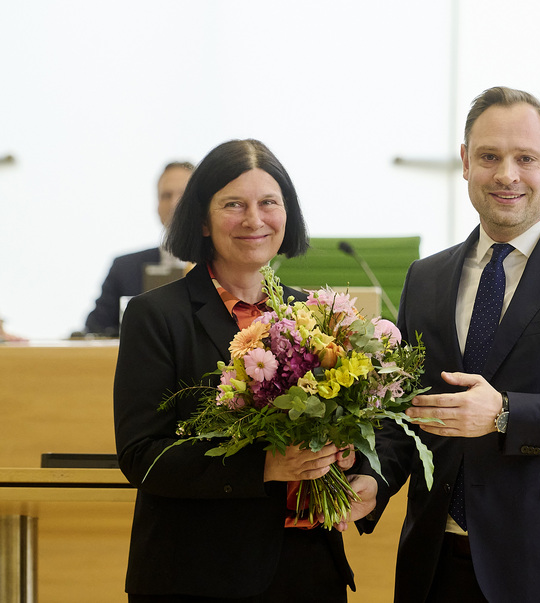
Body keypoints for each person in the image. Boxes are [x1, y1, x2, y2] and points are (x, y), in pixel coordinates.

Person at [357, 87, 540, 602]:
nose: (506, 175)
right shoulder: (426, 277)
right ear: (465, 162)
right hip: (437, 564)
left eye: (526, 158)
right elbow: (408, 412)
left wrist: (505, 414)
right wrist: (372, 481)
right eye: (489, 157)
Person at [114, 139, 377, 602]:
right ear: (202, 219)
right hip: (199, 574)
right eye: (234, 204)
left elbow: (356, 424)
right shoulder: (155, 315)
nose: (254, 220)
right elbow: (142, 456)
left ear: (287, 214)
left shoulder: (314, 313)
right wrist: (266, 466)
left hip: (311, 570)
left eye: (268, 203)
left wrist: (347, 458)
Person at [84, 161, 194, 336]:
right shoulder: (124, 269)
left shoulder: (223, 265)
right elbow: (94, 330)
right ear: (157, 206)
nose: (174, 204)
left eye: (183, 195)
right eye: (166, 195)